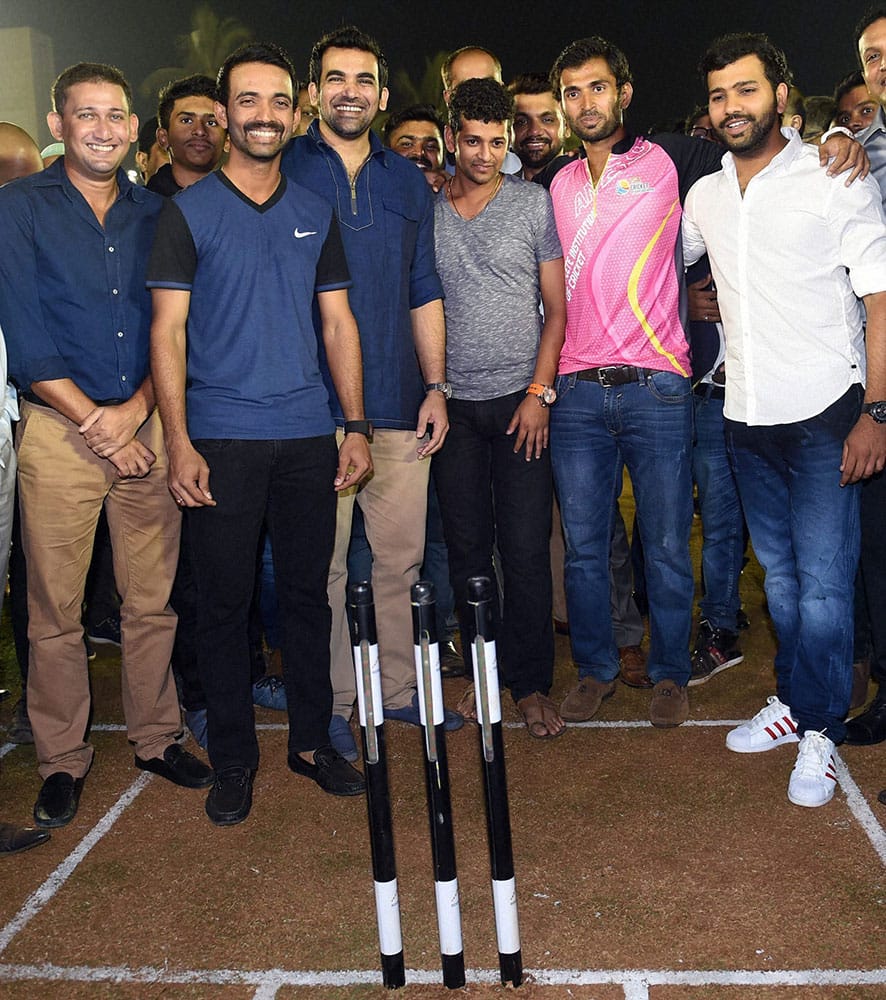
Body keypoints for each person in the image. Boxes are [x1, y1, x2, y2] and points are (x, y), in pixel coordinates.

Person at [540, 36, 865, 730]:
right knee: (587, 548)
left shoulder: (673, 159)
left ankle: (669, 671)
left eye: (597, 87)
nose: (584, 103)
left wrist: (840, 134)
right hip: (574, 388)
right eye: (572, 93)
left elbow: (765, 146)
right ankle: (597, 667)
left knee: (664, 540)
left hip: (659, 387)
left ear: (623, 93)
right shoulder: (555, 185)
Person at [148, 41, 371, 825]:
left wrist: (353, 425)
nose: (265, 116)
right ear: (225, 113)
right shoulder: (187, 213)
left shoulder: (317, 211)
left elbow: (339, 324)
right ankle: (235, 761)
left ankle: (312, 743)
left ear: (298, 109)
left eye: (279, 102)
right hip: (221, 441)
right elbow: (167, 334)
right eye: (248, 102)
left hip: (309, 436)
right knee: (224, 606)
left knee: (309, 598)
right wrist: (178, 440)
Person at [0, 62, 213, 830]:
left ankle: (156, 736)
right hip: (61, 432)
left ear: (132, 127)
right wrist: (103, 423)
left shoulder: (158, 213)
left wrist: (139, 412)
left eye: (114, 114)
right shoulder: (16, 208)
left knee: (150, 602)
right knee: (55, 611)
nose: (101, 127)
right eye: (85, 114)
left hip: (148, 424)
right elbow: (26, 336)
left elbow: (179, 329)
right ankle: (61, 757)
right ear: (58, 125)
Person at [683, 32, 886, 807]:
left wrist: (877, 411)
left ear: (779, 93)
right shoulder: (703, 195)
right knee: (788, 584)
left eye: (745, 90)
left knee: (829, 589)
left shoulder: (833, 175)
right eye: (718, 95)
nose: (731, 106)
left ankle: (823, 731)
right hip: (746, 415)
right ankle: (798, 705)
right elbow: (659, 257)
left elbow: (879, 299)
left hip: (829, 413)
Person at [281, 25, 460, 763]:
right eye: (335, 78)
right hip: (312, 411)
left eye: (363, 80)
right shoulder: (282, 169)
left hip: (399, 404)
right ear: (314, 92)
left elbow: (424, 289)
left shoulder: (405, 181)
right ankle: (335, 705)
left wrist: (437, 386)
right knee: (320, 570)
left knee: (401, 561)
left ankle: (394, 694)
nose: (348, 91)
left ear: (383, 97)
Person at [432, 77, 566, 738]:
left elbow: (558, 309)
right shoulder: (428, 208)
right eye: (473, 140)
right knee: (466, 552)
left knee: (524, 550)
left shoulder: (533, 204)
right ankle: (482, 676)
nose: (484, 153)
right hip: (453, 411)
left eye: (496, 141)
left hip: (521, 407)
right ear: (453, 137)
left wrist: (540, 393)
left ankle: (531, 682)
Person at [148, 74, 226, 195]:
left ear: (227, 140)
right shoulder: (140, 210)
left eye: (211, 122)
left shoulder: (247, 206)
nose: (200, 131)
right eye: (186, 121)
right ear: (163, 138)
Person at [508, 72, 572, 180]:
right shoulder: (496, 192)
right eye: (522, 122)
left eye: (547, 120)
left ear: (567, 126)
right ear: (508, 131)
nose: (534, 131)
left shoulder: (594, 186)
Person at [383, 104, 448, 191]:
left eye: (430, 146)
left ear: (443, 160)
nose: (419, 152)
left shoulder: (453, 198)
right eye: (407, 144)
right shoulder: (368, 196)